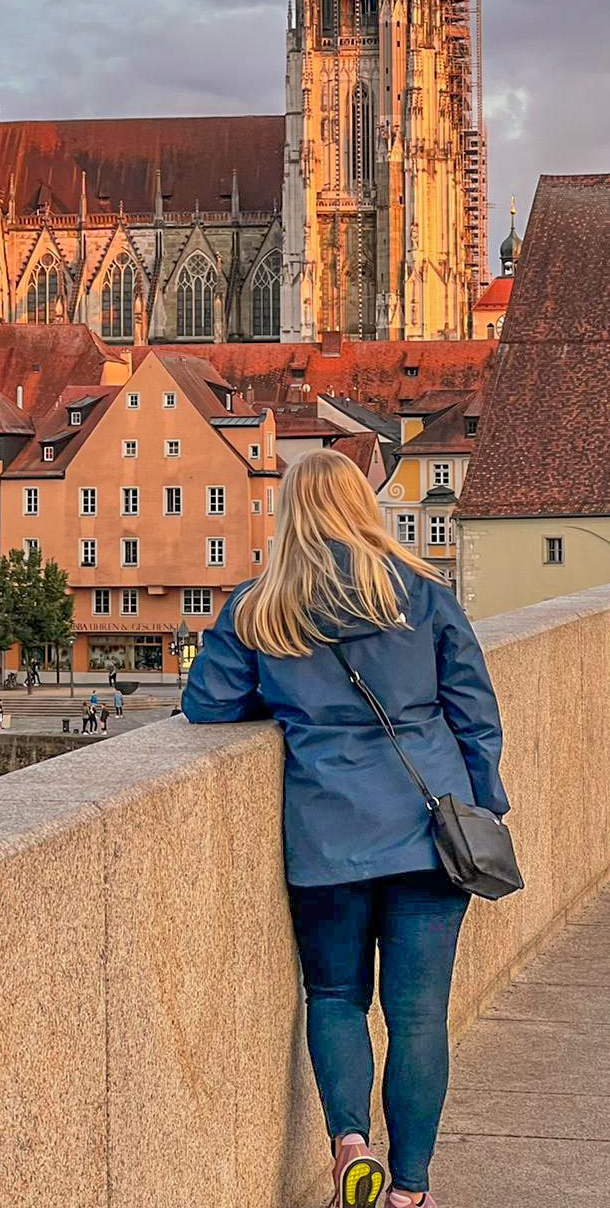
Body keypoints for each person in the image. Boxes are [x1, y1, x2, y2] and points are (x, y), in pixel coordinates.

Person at [182, 451, 509, 1208]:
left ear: (290, 513)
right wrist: (484, 802)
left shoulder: (260, 607)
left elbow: (208, 706)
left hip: (327, 836)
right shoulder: (421, 592)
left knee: (335, 997)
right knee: (419, 1014)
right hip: (430, 833)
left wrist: (291, 703)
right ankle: (410, 1191)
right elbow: (474, 710)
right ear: (363, 506)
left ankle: (350, 1144)